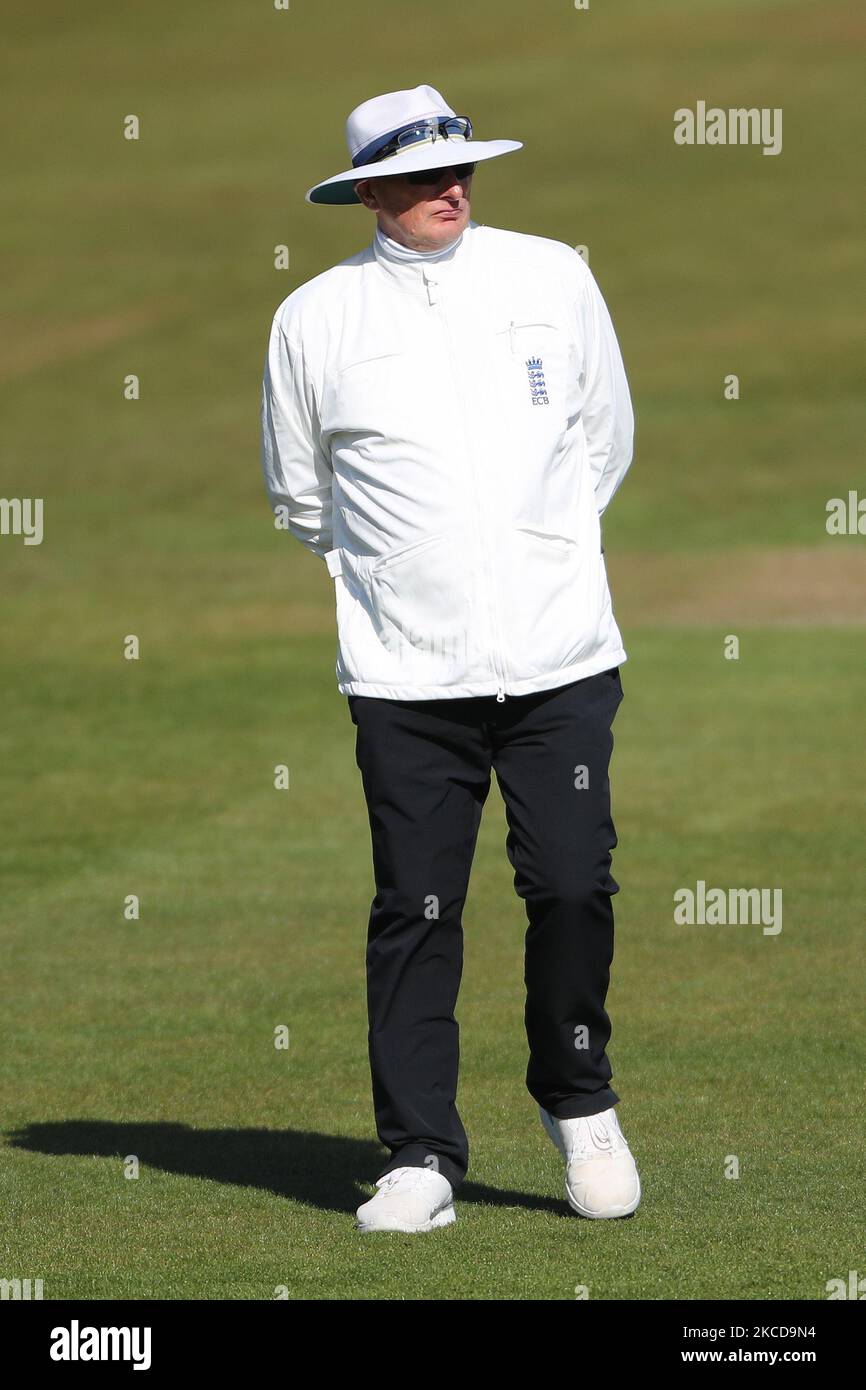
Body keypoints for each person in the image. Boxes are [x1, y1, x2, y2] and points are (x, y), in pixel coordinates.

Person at [260, 84, 640, 1233]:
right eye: (423, 175)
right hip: (405, 677)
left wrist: (533, 558)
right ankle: (420, 1152)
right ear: (368, 188)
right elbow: (298, 494)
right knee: (417, 905)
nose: (450, 189)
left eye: (461, 169)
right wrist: (406, 579)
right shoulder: (313, 319)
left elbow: (601, 438)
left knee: (571, 882)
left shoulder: (549, 278)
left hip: (558, 655)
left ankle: (578, 1101)